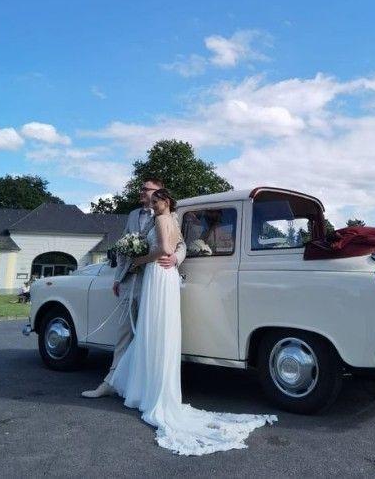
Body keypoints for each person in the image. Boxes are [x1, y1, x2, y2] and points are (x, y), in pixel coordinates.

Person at [109, 188, 276, 456]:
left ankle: (148, 390)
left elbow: (164, 249)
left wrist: (138, 259)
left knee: (154, 331)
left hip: (158, 274)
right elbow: (171, 246)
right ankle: (151, 387)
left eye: (156, 200)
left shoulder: (163, 220)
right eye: (150, 200)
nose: (151, 204)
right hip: (165, 276)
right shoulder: (172, 220)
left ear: (166, 201)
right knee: (157, 331)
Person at [81, 177, 186, 398]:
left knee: (150, 334)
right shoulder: (132, 215)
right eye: (141, 189)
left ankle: (144, 387)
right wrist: (118, 277)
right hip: (130, 280)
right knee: (124, 333)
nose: (141, 192)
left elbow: (179, 245)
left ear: (160, 193)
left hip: (153, 280)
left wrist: (175, 258)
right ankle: (110, 381)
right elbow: (123, 246)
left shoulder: (169, 216)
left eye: (146, 189)